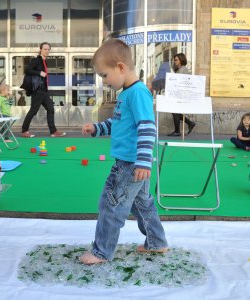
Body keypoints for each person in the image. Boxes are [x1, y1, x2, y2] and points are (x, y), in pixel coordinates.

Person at [79, 38, 168, 265]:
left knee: (111, 206)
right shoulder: (126, 94)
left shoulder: (137, 93)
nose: (104, 82)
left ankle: (101, 252)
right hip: (134, 164)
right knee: (142, 204)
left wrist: (143, 162)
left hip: (131, 165)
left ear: (120, 67)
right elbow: (117, 123)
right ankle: (156, 242)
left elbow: (147, 127)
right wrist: (97, 128)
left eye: (104, 75)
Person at [21, 42, 66, 138]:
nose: (47, 51)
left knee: (50, 108)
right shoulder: (37, 60)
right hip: (37, 90)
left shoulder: (45, 61)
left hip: (43, 91)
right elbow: (27, 70)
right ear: (41, 49)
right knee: (33, 110)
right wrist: (39, 72)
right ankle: (24, 130)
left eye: (48, 49)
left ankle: (53, 131)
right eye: (45, 49)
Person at [167, 53, 196, 137]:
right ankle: (190, 123)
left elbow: (180, 83)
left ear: (181, 60)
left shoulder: (183, 70)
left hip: (181, 94)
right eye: (174, 60)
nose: (174, 61)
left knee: (174, 111)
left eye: (176, 60)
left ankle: (177, 131)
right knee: (175, 111)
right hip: (179, 94)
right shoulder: (179, 69)